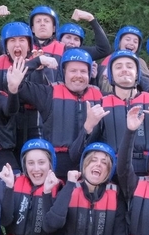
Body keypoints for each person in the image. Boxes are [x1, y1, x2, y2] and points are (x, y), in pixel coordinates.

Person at [23, 48, 103, 180]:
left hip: (90, 168)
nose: (78, 75)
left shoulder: (100, 97)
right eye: (73, 71)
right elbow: (15, 82)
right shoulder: (48, 93)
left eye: (83, 71)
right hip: (56, 168)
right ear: (63, 72)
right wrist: (37, 61)